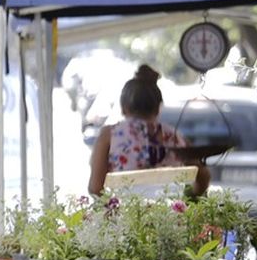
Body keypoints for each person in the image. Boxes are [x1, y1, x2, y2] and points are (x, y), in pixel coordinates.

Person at [88, 65, 210, 196]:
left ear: (123, 107)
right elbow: (203, 176)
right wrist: (190, 199)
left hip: (125, 214)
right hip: (171, 213)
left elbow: (95, 187)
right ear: (158, 108)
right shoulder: (175, 137)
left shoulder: (110, 135)